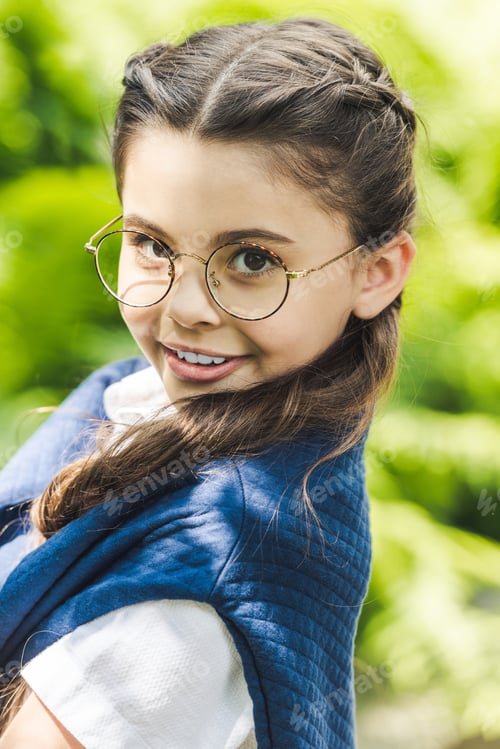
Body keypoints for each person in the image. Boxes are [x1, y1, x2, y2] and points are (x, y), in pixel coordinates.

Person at [0, 15, 417, 749]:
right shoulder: (127, 395)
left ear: (374, 272)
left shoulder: (196, 588)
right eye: (151, 243)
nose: (185, 309)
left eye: (252, 259)